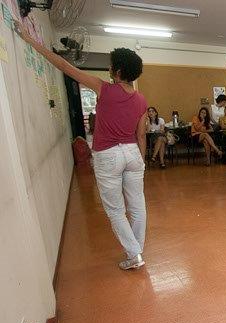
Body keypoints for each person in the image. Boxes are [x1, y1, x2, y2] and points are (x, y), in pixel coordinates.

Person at [14, 21, 149, 270]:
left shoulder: (104, 88)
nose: (109, 68)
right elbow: (142, 135)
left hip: (108, 155)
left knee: (116, 211)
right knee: (138, 206)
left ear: (118, 70)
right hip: (132, 154)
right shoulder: (141, 99)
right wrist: (141, 161)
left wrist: (29, 39)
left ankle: (134, 255)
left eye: (111, 65)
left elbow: (64, 66)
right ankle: (136, 251)